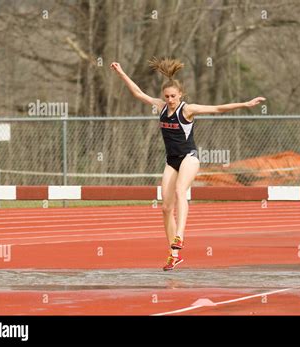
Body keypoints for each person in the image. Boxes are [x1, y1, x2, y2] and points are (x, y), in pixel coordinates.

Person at [110, 57, 265, 270]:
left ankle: (180, 236)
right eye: (167, 96)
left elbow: (218, 109)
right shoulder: (161, 107)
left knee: (181, 191)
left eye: (173, 96)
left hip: (189, 158)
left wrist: (245, 104)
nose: (170, 99)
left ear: (180, 95)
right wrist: (121, 73)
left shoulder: (187, 109)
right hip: (171, 161)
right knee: (165, 207)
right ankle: (174, 254)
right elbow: (138, 93)